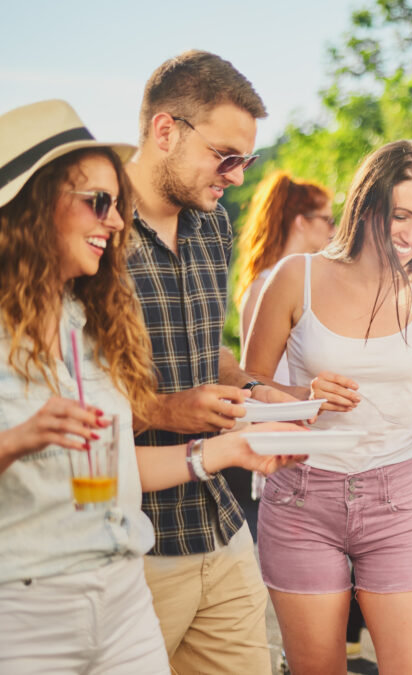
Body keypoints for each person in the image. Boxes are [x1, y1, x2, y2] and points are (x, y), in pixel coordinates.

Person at [0, 99, 299, 673]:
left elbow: (114, 468)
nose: (114, 222)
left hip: (122, 590)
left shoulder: (88, 323)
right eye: (97, 203)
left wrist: (232, 445)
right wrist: (19, 440)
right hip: (27, 606)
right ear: (32, 204)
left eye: (115, 205)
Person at [243, 139, 412, 675]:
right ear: (366, 204)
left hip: (398, 496)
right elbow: (251, 385)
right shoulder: (296, 276)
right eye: (401, 215)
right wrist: (300, 399)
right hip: (303, 497)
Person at [123, 51, 296, 674]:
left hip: (218, 526)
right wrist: (170, 409)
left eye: (245, 159)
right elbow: (65, 402)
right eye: (226, 157)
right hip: (130, 545)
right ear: (165, 130)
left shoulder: (212, 224)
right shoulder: (94, 232)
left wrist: (257, 387)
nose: (238, 177)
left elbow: (205, 347)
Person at [234, 170, 334, 501]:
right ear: (301, 222)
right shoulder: (265, 286)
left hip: (306, 435)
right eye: (327, 220)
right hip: (286, 441)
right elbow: (253, 376)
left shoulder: (304, 283)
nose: (333, 230)